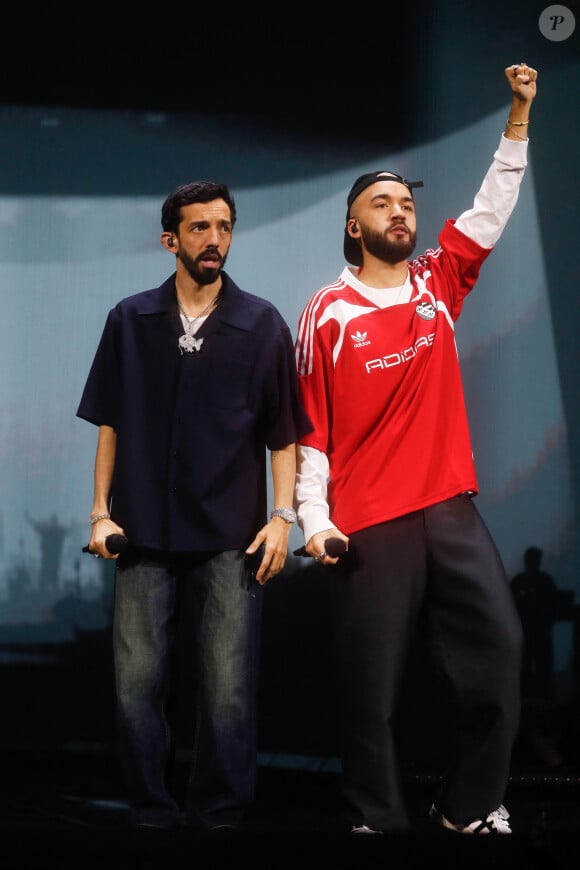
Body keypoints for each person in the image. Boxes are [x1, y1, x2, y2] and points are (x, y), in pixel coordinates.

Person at [293, 63, 537, 835]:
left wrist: (519, 118)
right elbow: (308, 428)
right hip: (365, 520)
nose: (400, 213)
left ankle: (467, 808)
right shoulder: (326, 314)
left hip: (448, 506)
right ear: (351, 225)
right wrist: (312, 518)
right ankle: (377, 816)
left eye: (405, 203)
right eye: (381, 203)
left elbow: (490, 212)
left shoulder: (438, 283)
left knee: (499, 650)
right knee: (373, 686)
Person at [76, 180, 311, 832]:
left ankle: (219, 819)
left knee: (228, 691)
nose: (215, 239)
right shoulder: (132, 319)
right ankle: (152, 812)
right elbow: (110, 423)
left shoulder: (260, 323)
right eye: (201, 227)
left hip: (230, 535)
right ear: (170, 239)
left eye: (224, 226)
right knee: (134, 687)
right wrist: (100, 511)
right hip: (143, 530)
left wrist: (283, 519)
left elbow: (283, 434)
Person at [511, 546, 560, 701]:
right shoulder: (543, 581)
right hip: (532, 634)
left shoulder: (522, 581)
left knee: (537, 668)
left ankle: (533, 697)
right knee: (531, 668)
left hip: (533, 634)